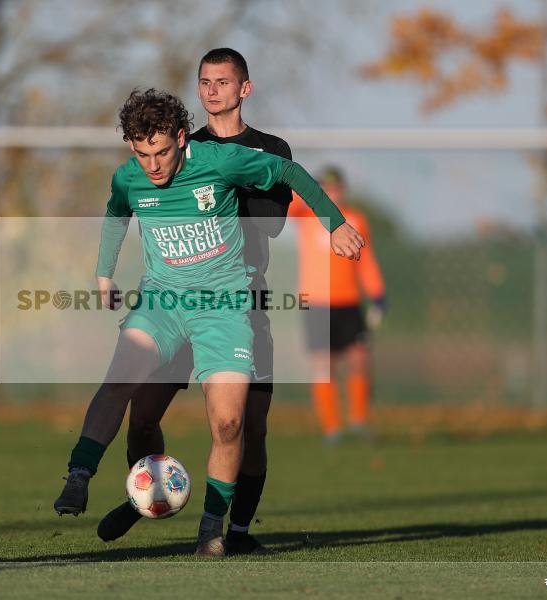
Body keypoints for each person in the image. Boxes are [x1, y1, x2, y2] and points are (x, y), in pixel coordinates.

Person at [53, 88, 364, 557]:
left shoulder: (220, 161)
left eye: (161, 153)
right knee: (124, 389)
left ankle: (211, 531)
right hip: (162, 303)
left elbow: (287, 170)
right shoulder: (129, 178)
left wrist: (333, 222)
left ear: (181, 137)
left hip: (224, 307)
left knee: (229, 422)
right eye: (142, 155)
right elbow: (117, 211)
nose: (152, 166)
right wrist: (103, 273)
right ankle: (80, 476)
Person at [95, 48, 291, 555]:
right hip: (175, 302)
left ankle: (236, 532)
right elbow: (131, 203)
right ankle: (145, 497)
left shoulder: (268, 149)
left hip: (240, 303)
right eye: (204, 81)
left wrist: (227, 180)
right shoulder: (181, 147)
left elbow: (271, 222)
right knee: (142, 414)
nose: (212, 90)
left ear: (243, 89)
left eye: (223, 82)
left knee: (248, 426)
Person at [288, 166, 385, 442]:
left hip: (349, 300)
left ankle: (359, 420)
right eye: (325, 187)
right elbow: (287, 204)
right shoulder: (306, 215)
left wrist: (378, 293)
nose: (332, 192)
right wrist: (309, 191)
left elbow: (366, 261)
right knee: (323, 364)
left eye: (335, 187)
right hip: (315, 302)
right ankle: (332, 428)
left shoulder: (356, 218)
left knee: (359, 358)